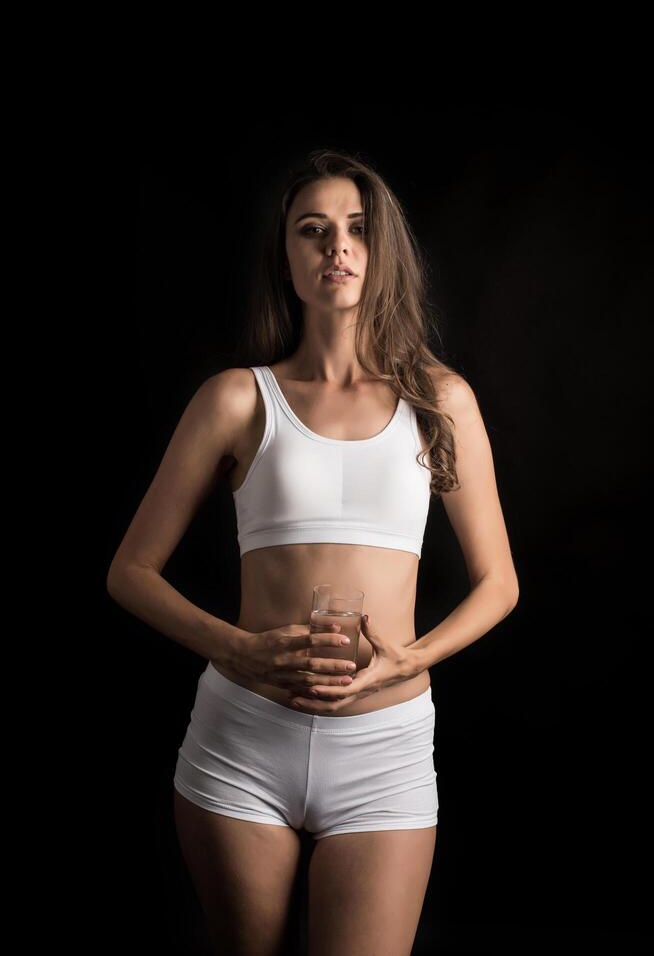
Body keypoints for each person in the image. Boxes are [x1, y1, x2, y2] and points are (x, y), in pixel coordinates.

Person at [107, 149, 519, 956]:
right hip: (241, 743)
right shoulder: (236, 398)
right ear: (287, 257)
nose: (338, 246)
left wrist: (411, 659)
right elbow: (129, 572)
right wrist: (239, 650)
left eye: (358, 230)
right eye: (314, 229)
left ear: (381, 251)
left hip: (385, 750)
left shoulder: (440, 402)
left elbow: (499, 582)